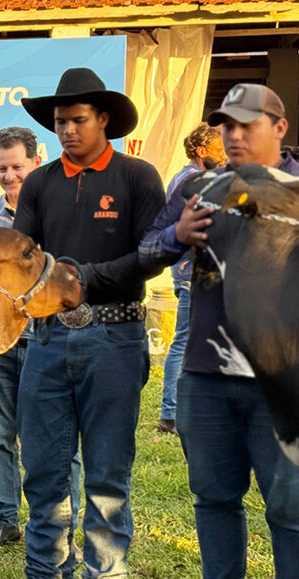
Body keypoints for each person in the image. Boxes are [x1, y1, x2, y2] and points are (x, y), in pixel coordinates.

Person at [139, 83, 299, 579]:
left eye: (246, 124)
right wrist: (174, 236)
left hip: (282, 382)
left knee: (290, 514)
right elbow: (144, 251)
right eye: (226, 125)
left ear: (278, 127)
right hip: (206, 379)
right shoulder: (198, 187)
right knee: (213, 500)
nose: (233, 135)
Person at [14, 68, 165, 577]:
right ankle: (45, 571)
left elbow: (153, 253)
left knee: (106, 477)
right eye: (59, 122)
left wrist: (83, 277)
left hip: (115, 336)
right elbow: (24, 258)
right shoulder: (39, 182)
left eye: (78, 120)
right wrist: (57, 282)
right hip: (48, 337)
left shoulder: (137, 176)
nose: (67, 131)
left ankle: (105, 571)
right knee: (42, 474)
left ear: (104, 119)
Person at [0, 127, 82, 553]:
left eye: (18, 166)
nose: (10, 175)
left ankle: (61, 523)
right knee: (0, 435)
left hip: (48, 340)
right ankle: (5, 520)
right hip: (0, 344)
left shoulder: (62, 210)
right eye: (2, 168)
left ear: (37, 162)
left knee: (58, 439)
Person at [156, 122, 225, 435]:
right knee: (185, 341)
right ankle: (171, 413)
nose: (224, 154)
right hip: (193, 273)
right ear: (201, 151)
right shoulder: (195, 180)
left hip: (193, 272)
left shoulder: (187, 177)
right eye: (218, 147)